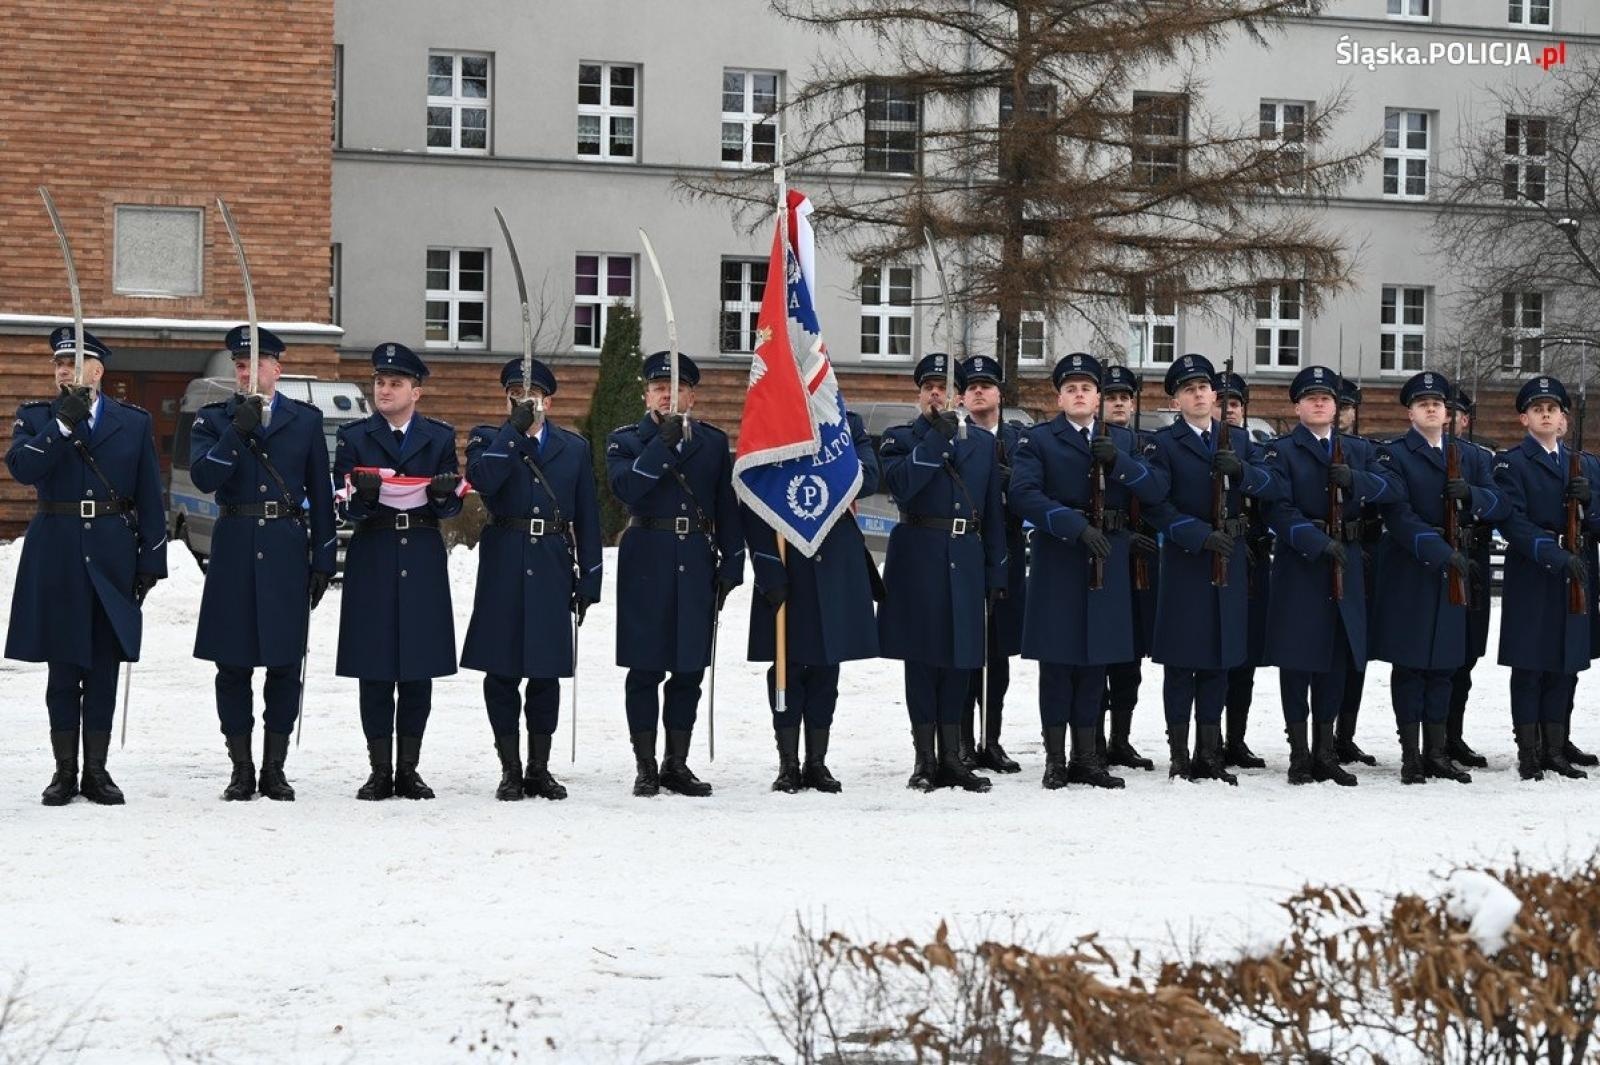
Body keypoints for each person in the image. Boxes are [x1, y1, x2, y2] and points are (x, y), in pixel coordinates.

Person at [6, 328, 167, 805]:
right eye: (58, 363)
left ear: (97, 372)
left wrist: (151, 560)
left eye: (73, 363)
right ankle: (64, 771)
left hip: (113, 550)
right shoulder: (37, 418)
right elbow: (21, 468)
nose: (62, 370)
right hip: (56, 549)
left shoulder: (132, 423)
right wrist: (60, 428)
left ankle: (96, 771)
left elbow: (149, 497)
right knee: (63, 664)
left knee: (102, 663)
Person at [1008, 352, 1169, 789]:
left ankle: (1088, 757)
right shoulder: (1038, 440)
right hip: (1060, 558)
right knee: (1058, 663)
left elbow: (1156, 489)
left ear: (1098, 398)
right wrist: (1074, 527)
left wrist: (1119, 460)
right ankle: (1056, 759)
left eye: (1087, 388)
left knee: (1097, 661)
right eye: (1071, 388)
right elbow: (1023, 494)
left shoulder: (1125, 441)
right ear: (1060, 398)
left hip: (1109, 557)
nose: (1079, 395)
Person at [189, 325, 335, 801]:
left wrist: (323, 558)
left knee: (284, 663)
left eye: (256, 363)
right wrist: (238, 430)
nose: (248, 372)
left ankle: (275, 767)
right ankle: (241, 766)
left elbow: (320, 491)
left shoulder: (305, 420)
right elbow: (205, 477)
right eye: (240, 365)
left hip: (286, 547)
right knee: (232, 665)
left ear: (278, 367)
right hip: (233, 547)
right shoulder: (214, 419)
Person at [461, 357, 602, 801]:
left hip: (552, 563)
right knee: (501, 672)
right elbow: (483, 480)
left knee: (545, 673)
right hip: (504, 558)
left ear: (549, 400)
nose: (524, 402)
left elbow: (588, 517)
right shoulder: (489, 439)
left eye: (532, 396)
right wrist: (512, 433)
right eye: (515, 396)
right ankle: (510, 768)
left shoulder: (573, 448)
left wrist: (590, 577)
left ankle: (539, 768)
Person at [605, 351, 744, 797]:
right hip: (647, 559)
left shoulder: (712, 441)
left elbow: (726, 505)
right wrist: (660, 444)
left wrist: (733, 561)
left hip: (697, 560)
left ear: (691, 394)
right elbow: (627, 488)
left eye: (677, 386)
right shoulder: (626, 440)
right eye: (659, 386)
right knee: (645, 668)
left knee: (689, 669)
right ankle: (645, 764)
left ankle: (676, 763)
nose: (668, 393)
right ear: (646, 393)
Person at [1141, 354, 1281, 783]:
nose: (1199, 394)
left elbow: (1273, 485)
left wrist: (1242, 472)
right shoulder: (1163, 445)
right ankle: (1180, 754)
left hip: (1231, 557)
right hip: (1188, 561)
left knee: (1221, 658)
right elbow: (1157, 507)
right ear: (1177, 400)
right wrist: (1196, 534)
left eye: (1204, 387)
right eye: (1189, 389)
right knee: (1183, 661)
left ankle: (1210, 751)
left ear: (1214, 394)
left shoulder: (1238, 440)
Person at [1260, 365, 1402, 786]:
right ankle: (1300, 754)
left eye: (1327, 398)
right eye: (1312, 397)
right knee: (1298, 660)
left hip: (1349, 564)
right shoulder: (1280, 451)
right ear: (1298, 405)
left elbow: (1393, 489)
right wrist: (1318, 543)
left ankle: (1326, 752)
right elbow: (1277, 510)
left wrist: (1355, 480)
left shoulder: (1358, 451)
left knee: (1337, 659)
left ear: (1338, 407)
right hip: (1302, 566)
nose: (1320, 403)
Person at [334, 342, 462, 800]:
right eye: (379, 382)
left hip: (422, 552)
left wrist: (447, 494)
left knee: (417, 668)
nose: (384, 390)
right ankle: (379, 768)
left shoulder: (439, 437)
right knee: (374, 666)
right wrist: (364, 497)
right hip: (374, 551)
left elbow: (450, 506)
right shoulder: (355, 437)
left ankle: (409, 768)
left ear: (416, 391)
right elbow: (344, 505)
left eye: (395, 383)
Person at [1368, 371, 1509, 783]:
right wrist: (1441, 552)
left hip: (1457, 570)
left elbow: (1502, 502)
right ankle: (1411, 754)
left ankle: (1438, 752)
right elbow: (1398, 514)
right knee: (1411, 665)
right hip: (1414, 570)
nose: (1432, 408)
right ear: (1410, 411)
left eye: (1438, 403)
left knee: (1446, 664)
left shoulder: (1473, 456)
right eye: (1423, 403)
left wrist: (1472, 495)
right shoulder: (1392, 455)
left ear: (1449, 412)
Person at [878, 353, 1007, 792]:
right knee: (922, 661)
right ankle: (925, 758)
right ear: (919, 395)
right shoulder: (900, 438)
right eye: (929, 386)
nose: (937, 392)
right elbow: (899, 487)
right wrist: (934, 442)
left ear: (957, 395)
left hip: (966, 556)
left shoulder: (983, 444)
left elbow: (991, 514)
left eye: (944, 387)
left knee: (961, 661)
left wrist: (997, 573)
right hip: (917, 557)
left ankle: (953, 756)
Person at [742, 406, 880, 792]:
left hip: (834, 559)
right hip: (786, 558)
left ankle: (817, 761)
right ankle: (788, 763)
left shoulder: (845, 423)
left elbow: (869, 477)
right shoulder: (770, 415)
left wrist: (815, 468)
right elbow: (750, 491)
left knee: (826, 665)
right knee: (787, 666)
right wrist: (768, 568)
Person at [1492, 374, 1600, 780]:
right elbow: (1512, 521)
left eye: (1552, 409)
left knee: (1566, 662)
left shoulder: (1585, 464)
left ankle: (1556, 747)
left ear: (1563, 419)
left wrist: (1588, 503)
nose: (1545, 415)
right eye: (1537, 409)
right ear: (1524, 419)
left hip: (1579, 570)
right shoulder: (1512, 463)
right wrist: (1552, 554)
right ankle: (1529, 750)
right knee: (1530, 664)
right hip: (1536, 571)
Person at [954, 354, 1024, 774]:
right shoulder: (956, 437)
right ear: (962, 396)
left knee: (997, 658)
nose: (979, 391)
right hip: (965, 553)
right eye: (971, 386)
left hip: (1008, 554)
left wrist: (1010, 481)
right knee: (966, 650)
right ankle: (962, 740)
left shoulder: (1018, 440)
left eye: (987, 385)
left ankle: (990, 739)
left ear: (1000, 393)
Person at [1098, 363, 1158, 772]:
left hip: (1141, 562)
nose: (1118, 403)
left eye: (1124, 397)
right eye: (1111, 397)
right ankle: (1094, 739)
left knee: (1130, 661)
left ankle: (1121, 737)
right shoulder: (1089, 440)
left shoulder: (1142, 444)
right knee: (1098, 654)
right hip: (1105, 554)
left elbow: (1155, 489)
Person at [1218, 370, 1271, 769]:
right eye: (1220, 403)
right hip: (1216, 559)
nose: (1227, 410)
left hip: (1251, 561)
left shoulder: (1254, 448)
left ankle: (1236, 738)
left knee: (1245, 659)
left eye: (1233, 404)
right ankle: (1207, 737)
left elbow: (1270, 492)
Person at [1444, 387, 1498, 768]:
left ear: (1466, 420)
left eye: (1457, 413)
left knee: (1466, 659)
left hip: (1473, 561)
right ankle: (1429, 739)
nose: (1451, 419)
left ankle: (1453, 736)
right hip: (1438, 562)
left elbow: (1500, 502)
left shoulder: (1481, 459)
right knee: (1432, 658)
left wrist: (1473, 495)